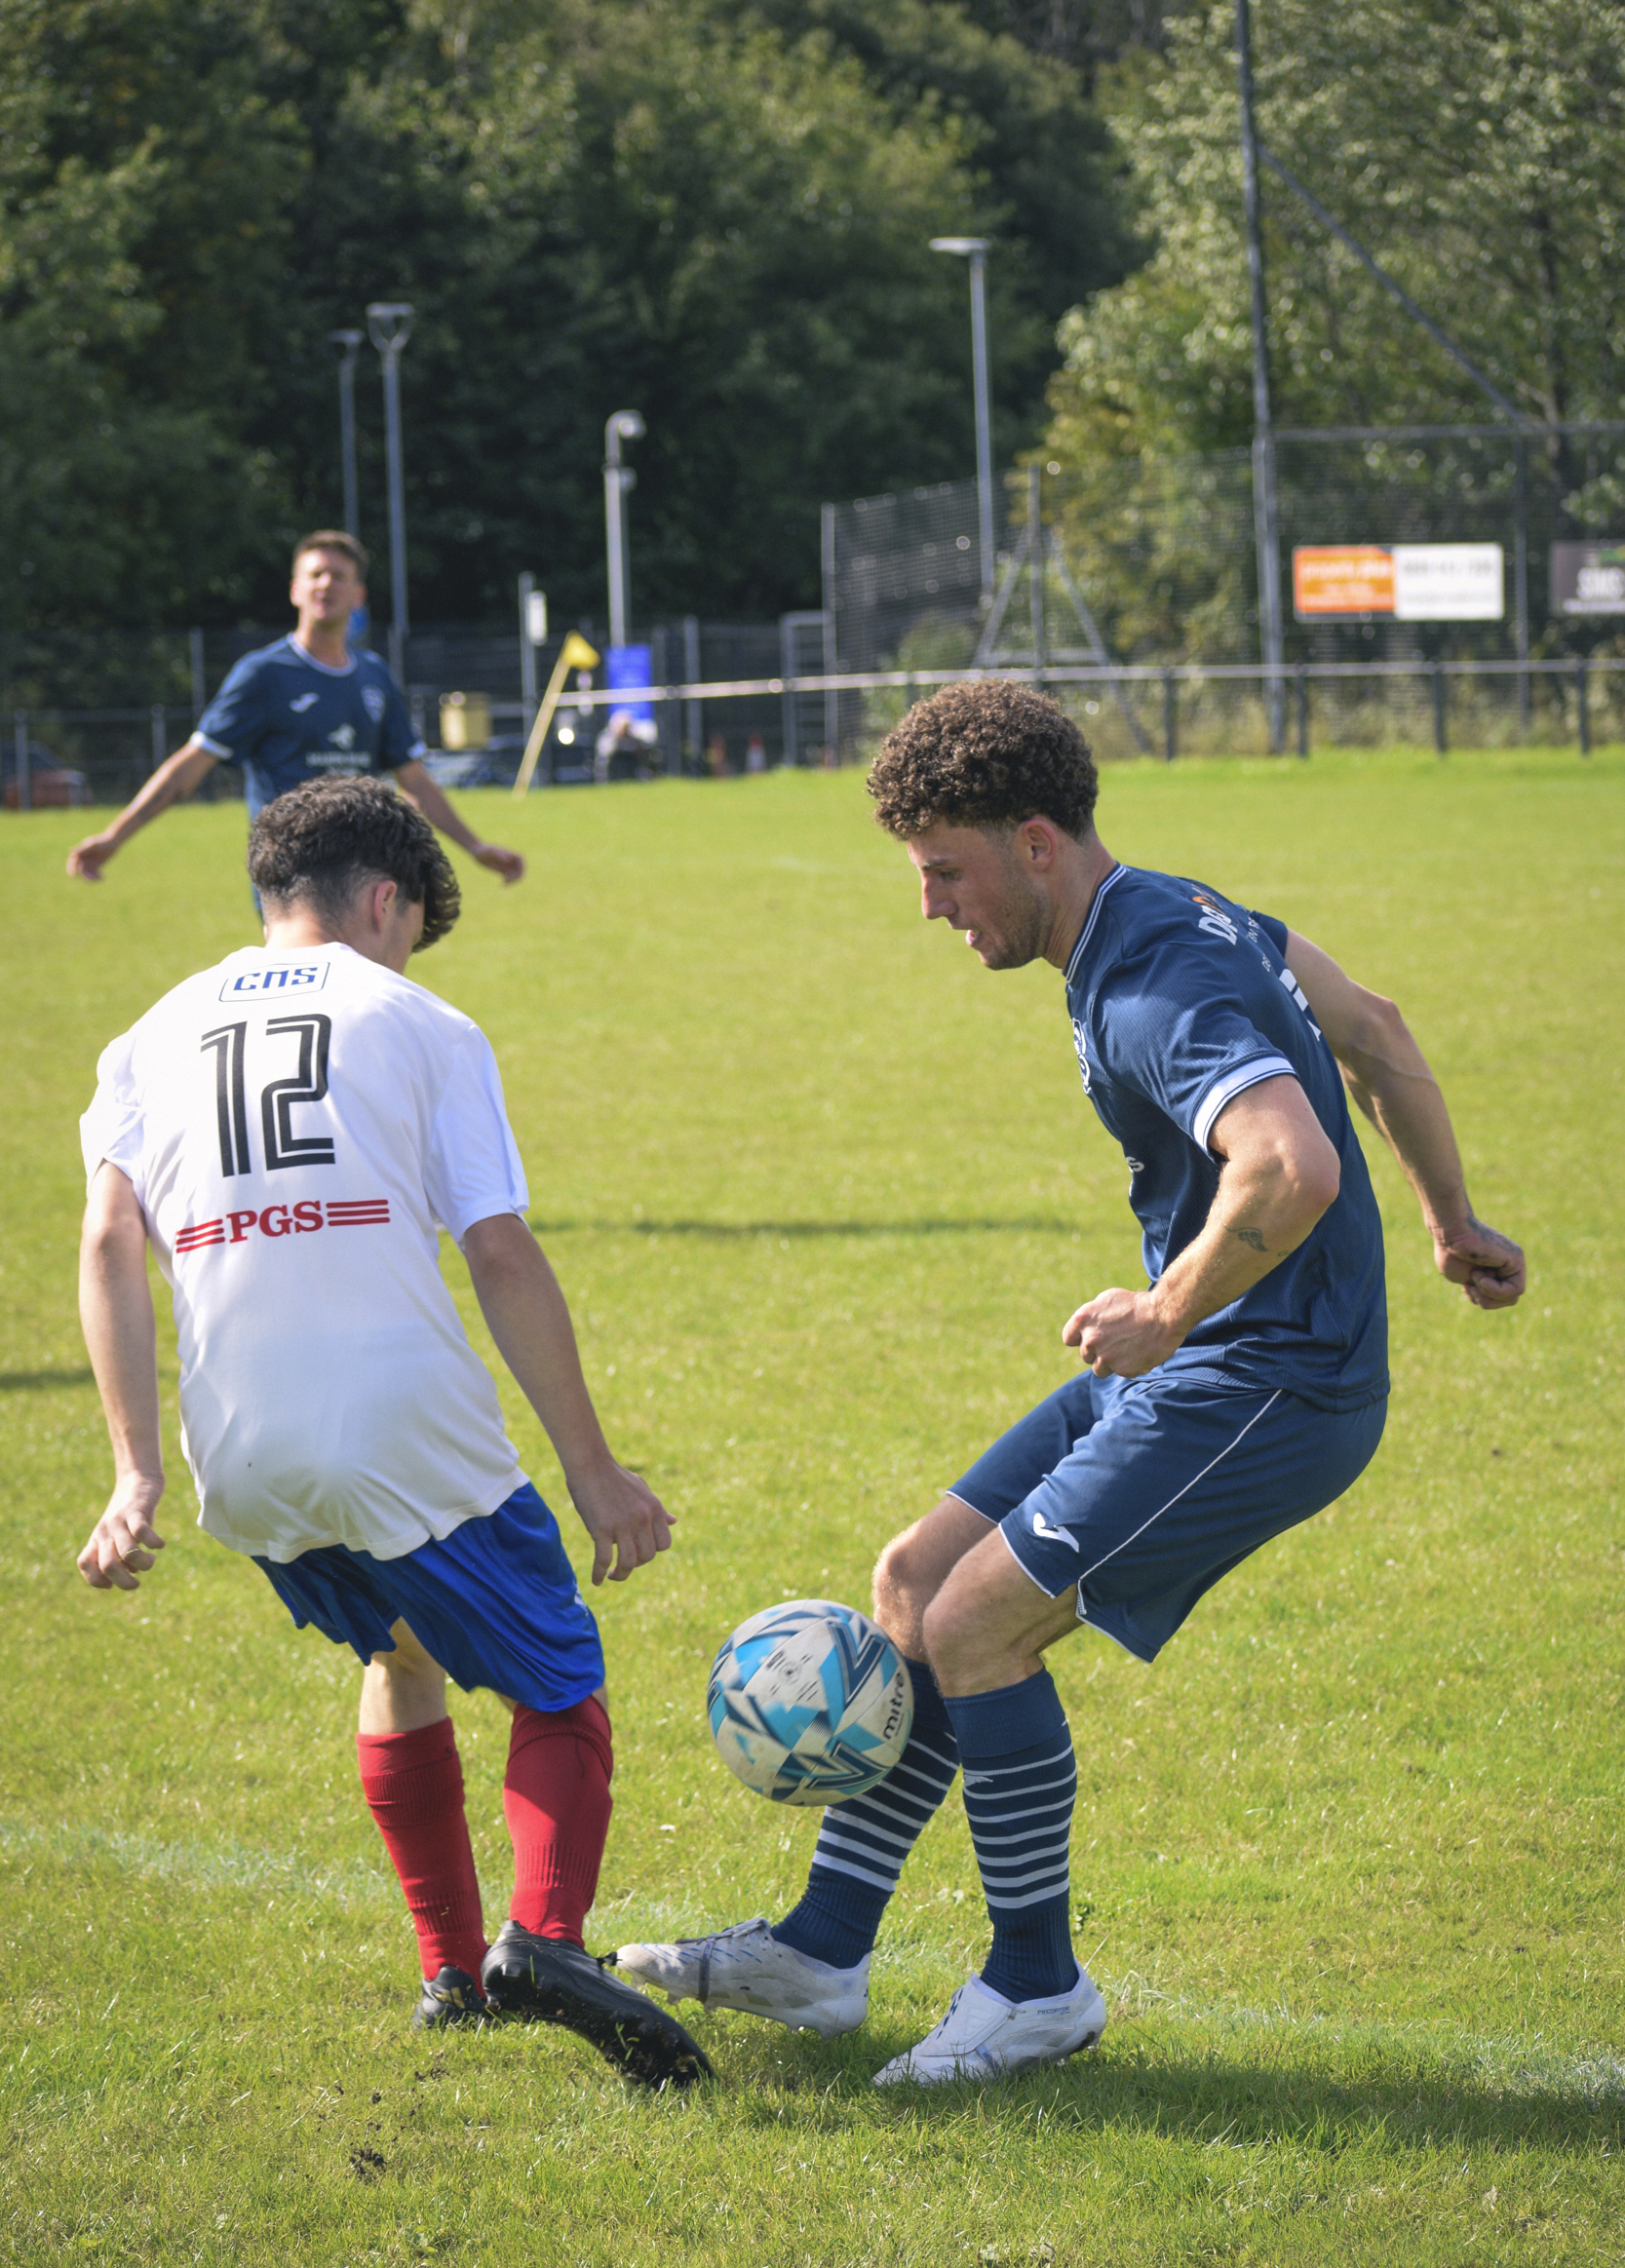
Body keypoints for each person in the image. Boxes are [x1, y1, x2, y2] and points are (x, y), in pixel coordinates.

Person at [617, 680, 1526, 2088]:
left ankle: (1037, 1988)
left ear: (1033, 842)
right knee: (916, 1580)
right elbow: (1379, 1031)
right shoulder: (1178, 911)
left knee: (977, 1624)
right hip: (1211, 1356)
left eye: (943, 870)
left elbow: (1289, 1164)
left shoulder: (1149, 978)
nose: (928, 905)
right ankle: (823, 1949)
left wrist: (1164, 1309)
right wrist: (1449, 1222)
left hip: (1274, 1383)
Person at [75, 774, 707, 2089]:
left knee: (398, 1648)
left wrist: (134, 1474)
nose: (410, 952)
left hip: (238, 1450)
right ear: (381, 901)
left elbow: (106, 1244)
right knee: (557, 1678)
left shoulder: (145, 1036)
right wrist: (593, 1470)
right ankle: (543, 1943)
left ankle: (449, 1975)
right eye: (413, 927)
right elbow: (498, 1250)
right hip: (395, 1420)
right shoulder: (420, 1022)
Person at [66, 532, 524, 888]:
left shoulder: (374, 675)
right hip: (291, 872)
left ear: (358, 595)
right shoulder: (263, 674)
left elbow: (415, 780)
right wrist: (115, 835)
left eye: (339, 576)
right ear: (295, 590)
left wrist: (475, 847)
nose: (326, 584)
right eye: (315, 574)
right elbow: (191, 765)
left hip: (366, 870)